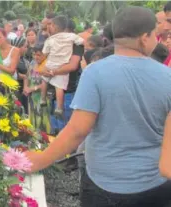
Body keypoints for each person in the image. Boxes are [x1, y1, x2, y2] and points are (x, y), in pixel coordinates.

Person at [27, 6, 171, 207]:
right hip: (155, 185)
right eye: (156, 35)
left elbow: (77, 131)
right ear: (145, 37)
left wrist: (40, 160)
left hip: (105, 184)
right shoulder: (167, 76)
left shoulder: (95, 72)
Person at [39, 18, 85, 135]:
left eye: (50, 24)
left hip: (67, 93)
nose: (48, 27)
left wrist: (52, 71)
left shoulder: (75, 44)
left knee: (66, 131)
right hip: (52, 94)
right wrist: (44, 70)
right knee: (54, 131)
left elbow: (72, 66)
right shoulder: (52, 40)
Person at [23, 43, 50, 132]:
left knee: (42, 121)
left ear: (45, 54)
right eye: (34, 54)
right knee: (32, 121)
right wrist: (25, 87)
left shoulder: (48, 65)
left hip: (43, 98)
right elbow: (27, 76)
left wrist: (32, 88)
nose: (36, 57)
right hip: (32, 97)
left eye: (39, 55)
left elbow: (47, 83)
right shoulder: (33, 63)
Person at [11, 37, 31, 113]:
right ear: (19, 46)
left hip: (24, 90)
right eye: (25, 47)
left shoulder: (23, 59)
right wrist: (24, 77)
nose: (26, 49)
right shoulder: (13, 58)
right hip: (16, 90)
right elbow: (13, 72)